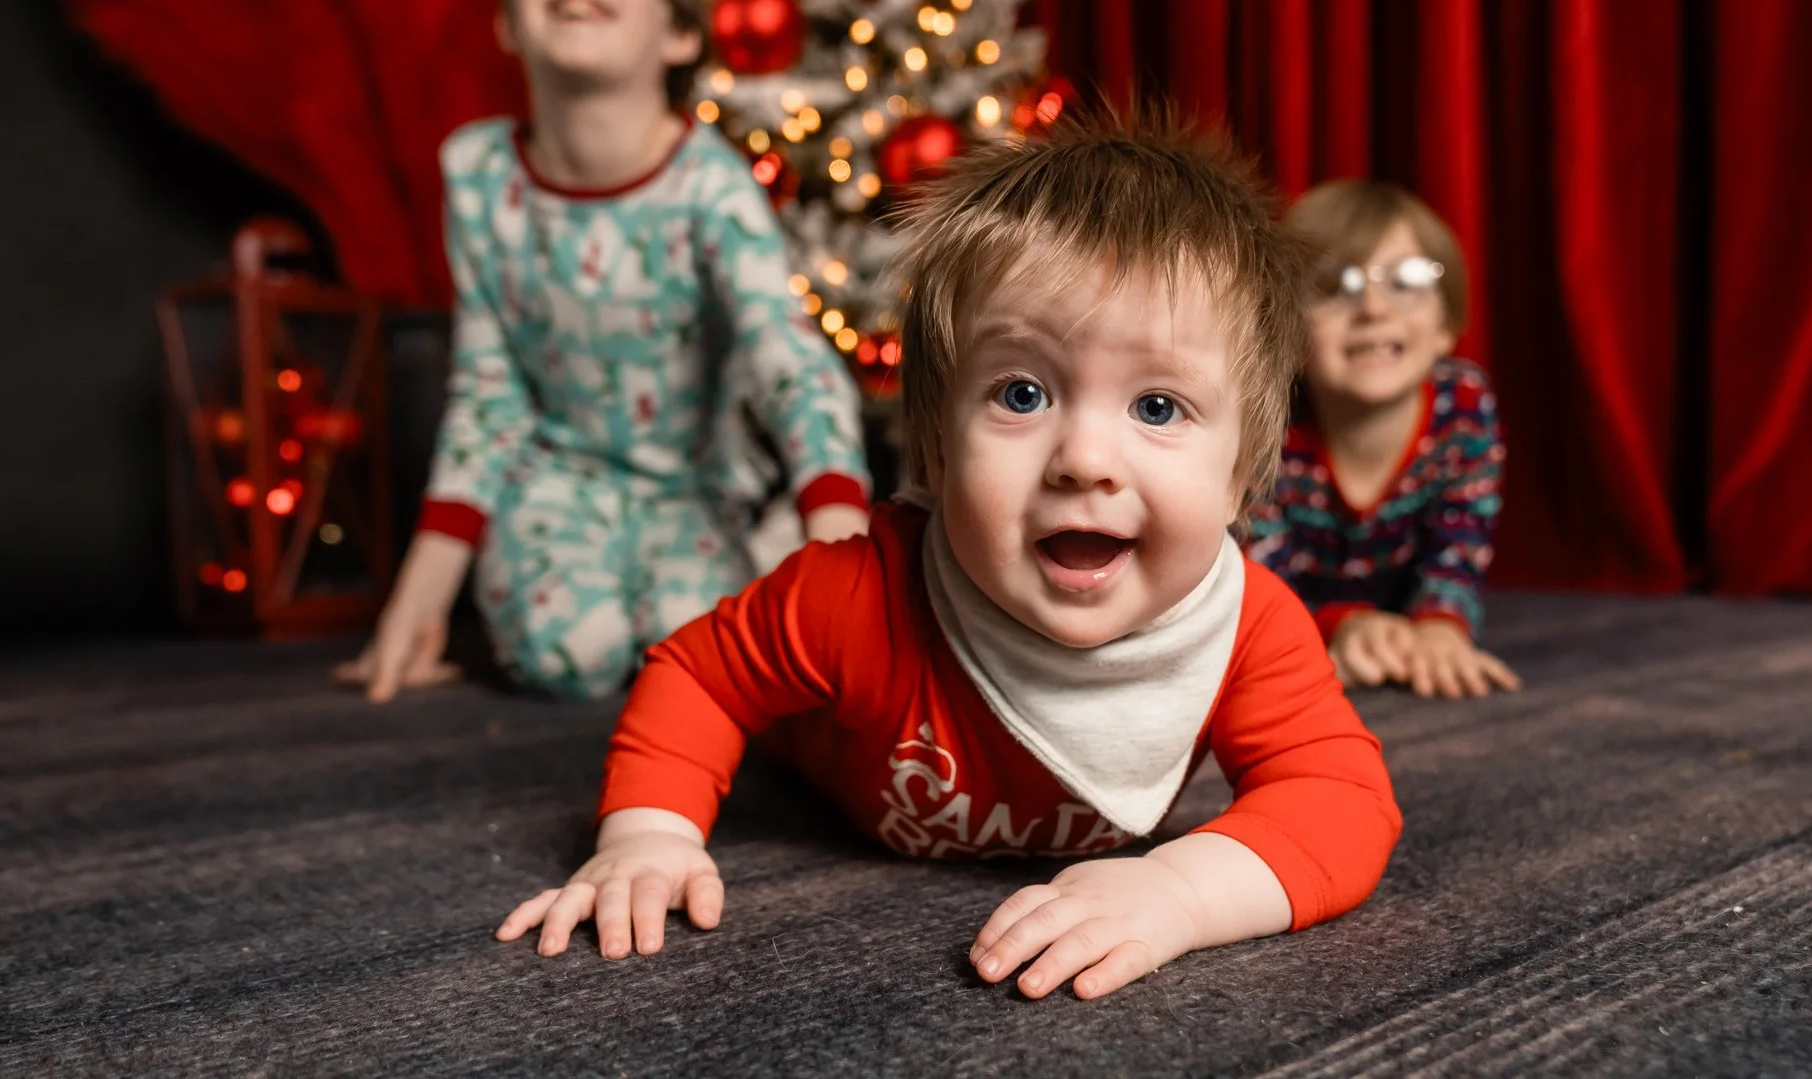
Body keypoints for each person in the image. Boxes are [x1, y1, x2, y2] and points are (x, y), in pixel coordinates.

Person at [495, 113, 1402, 1001]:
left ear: (1246, 475)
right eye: (1021, 392)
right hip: (815, 743)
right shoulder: (857, 593)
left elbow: (1343, 802)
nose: (1084, 460)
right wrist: (647, 835)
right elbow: (699, 675)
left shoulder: (1245, 626)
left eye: (1157, 408)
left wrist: (1180, 892)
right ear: (932, 446)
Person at [335, 0, 870, 704]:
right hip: (557, 484)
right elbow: (489, 392)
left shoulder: (710, 188)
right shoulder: (478, 176)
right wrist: (422, 596)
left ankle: (757, 553)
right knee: (564, 656)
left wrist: (838, 536)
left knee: (705, 654)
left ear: (681, 36)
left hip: (695, 489)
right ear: (509, 23)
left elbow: (783, 353)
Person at [1244, 179, 1519, 700]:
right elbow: (1251, 580)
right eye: (1330, 286)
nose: (1372, 307)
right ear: (1286, 332)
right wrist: (1335, 626)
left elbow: (1458, 550)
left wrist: (1441, 624)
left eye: (1406, 280)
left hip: (1400, 633)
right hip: (1297, 627)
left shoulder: (1463, 407)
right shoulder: (1265, 425)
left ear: (1447, 322)